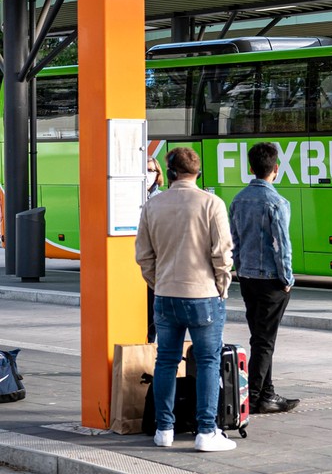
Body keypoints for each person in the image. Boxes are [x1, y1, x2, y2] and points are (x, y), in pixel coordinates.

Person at [135, 147, 237, 452]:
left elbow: (143, 255)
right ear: (198, 173)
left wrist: (158, 282)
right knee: (207, 361)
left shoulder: (153, 206)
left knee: (166, 360)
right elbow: (222, 254)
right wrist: (222, 287)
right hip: (203, 294)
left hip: (165, 295)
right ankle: (206, 432)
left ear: (169, 172)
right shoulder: (211, 203)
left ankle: (163, 429)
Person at [229, 142, 299, 414]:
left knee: (259, 337)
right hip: (272, 280)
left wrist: (238, 268)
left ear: (251, 168)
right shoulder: (277, 202)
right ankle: (255, 396)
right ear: (276, 169)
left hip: (247, 278)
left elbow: (234, 240)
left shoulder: (238, 199)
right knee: (264, 340)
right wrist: (287, 278)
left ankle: (267, 393)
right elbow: (281, 244)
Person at [145, 157, 164, 343]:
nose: (149, 174)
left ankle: (151, 343)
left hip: (155, 264)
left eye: (152, 170)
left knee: (153, 312)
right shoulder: (130, 197)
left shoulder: (161, 199)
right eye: (146, 170)